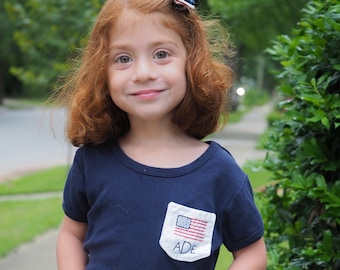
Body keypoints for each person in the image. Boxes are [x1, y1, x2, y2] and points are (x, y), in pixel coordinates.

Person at [55, 0, 267, 269]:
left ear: (191, 61)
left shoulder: (219, 173)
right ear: (102, 72)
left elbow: (252, 253)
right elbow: (71, 235)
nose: (143, 73)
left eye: (162, 54)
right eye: (123, 58)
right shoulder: (91, 161)